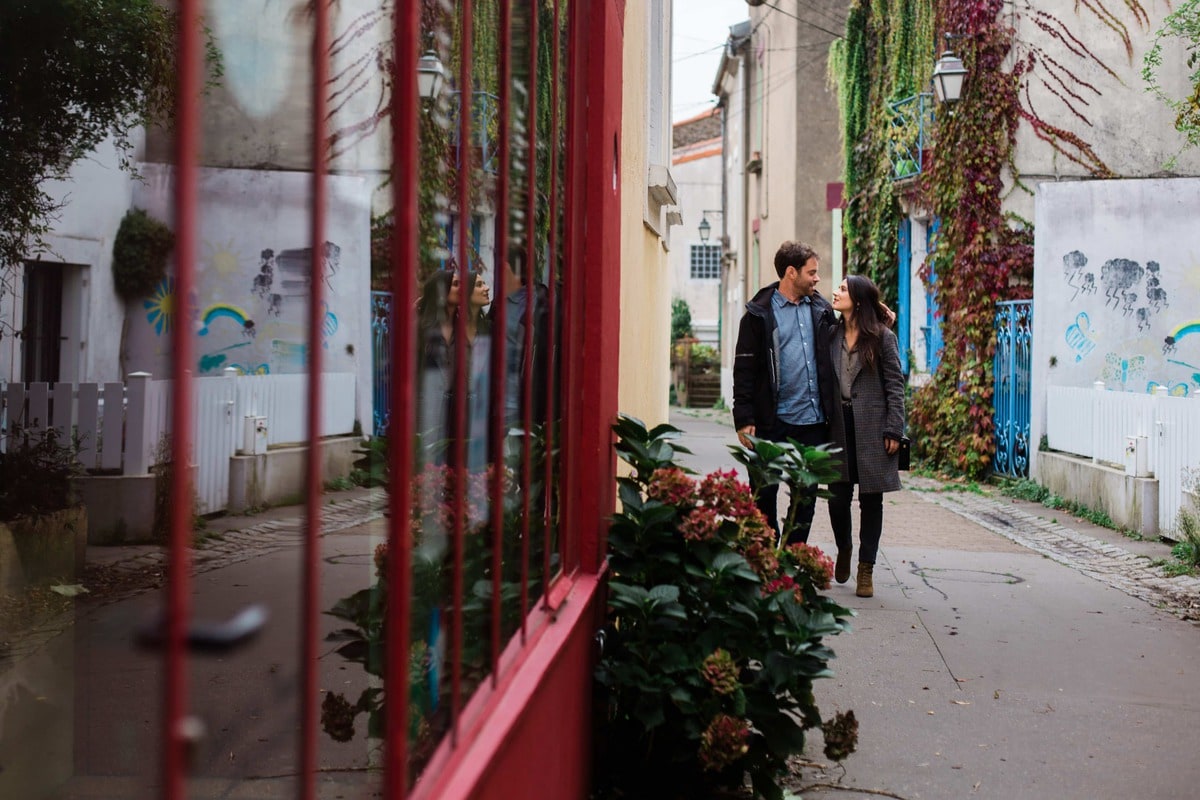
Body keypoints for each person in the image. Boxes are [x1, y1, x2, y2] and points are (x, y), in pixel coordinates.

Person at [733, 240, 835, 541]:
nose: (817, 279)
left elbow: (847, 341)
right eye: (812, 272)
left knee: (805, 500)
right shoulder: (758, 314)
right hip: (770, 421)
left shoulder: (821, 310)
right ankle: (766, 561)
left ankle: (794, 560)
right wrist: (743, 417)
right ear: (791, 272)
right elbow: (744, 368)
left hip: (813, 422)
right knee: (764, 494)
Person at [821, 274, 905, 598]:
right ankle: (844, 547)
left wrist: (894, 428)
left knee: (872, 500)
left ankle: (866, 567)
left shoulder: (882, 337)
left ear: (857, 299)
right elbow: (815, 307)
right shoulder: (830, 334)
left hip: (873, 426)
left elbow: (895, 384)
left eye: (842, 289)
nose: (835, 292)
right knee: (837, 498)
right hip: (837, 426)